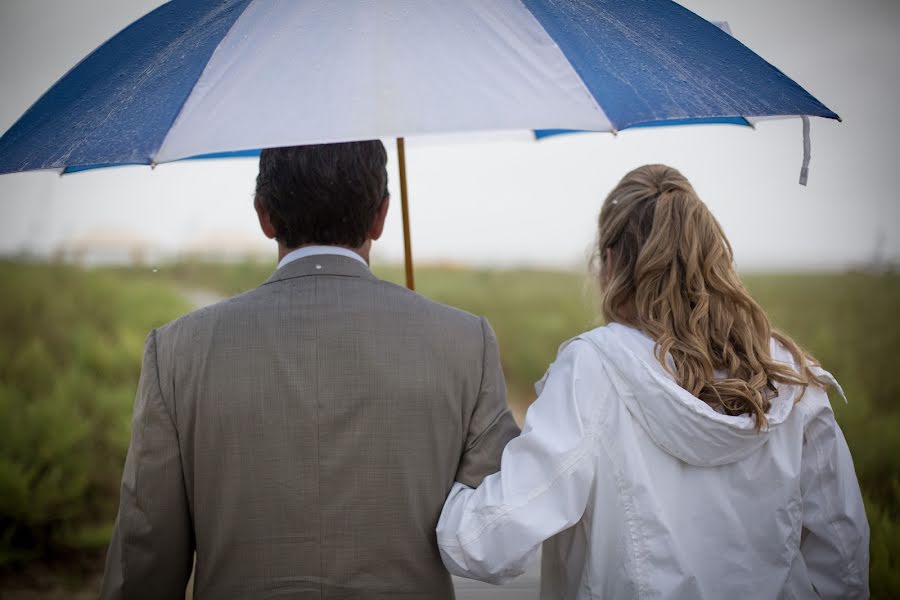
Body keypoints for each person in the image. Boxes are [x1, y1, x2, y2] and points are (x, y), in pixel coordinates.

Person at [100, 141, 519, 599]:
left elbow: (146, 555)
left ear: (264, 215)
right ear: (381, 216)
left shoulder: (177, 351)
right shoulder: (465, 341)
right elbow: (498, 521)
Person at [437, 164, 869, 599]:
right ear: (710, 257)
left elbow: (487, 544)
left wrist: (438, 486)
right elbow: (844, 559)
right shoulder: (789, 376)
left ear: (610, 263)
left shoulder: (593, 368)